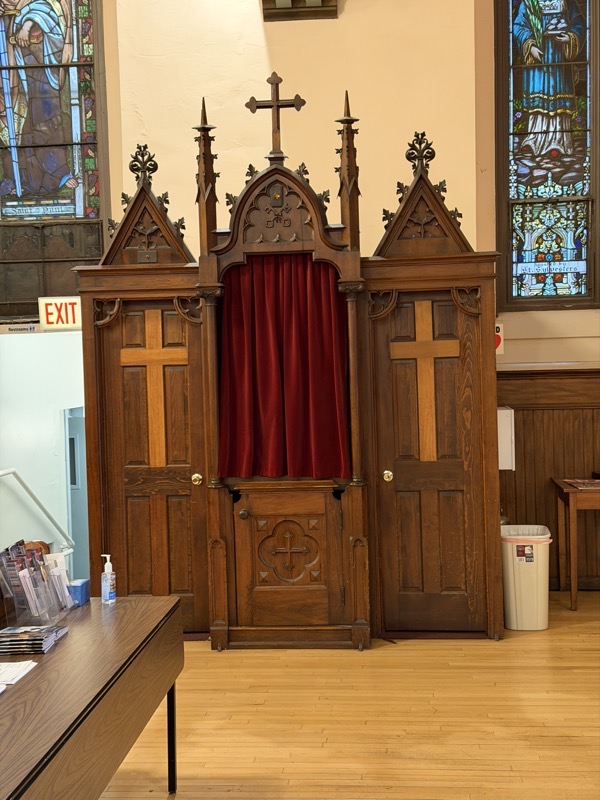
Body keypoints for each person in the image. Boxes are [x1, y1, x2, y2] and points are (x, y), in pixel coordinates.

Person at [0, 0, 78, 197]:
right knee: (16, 125)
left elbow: (51, 9)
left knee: (44, 116)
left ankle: (58, 172)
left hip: (37, 63)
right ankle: (17, 178)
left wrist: (27, 22)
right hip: (9, 66)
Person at [513, 0, 585, 157]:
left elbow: (579, 24)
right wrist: (530, 46)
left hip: (559, 61)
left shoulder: (566, 2)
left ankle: (558, 143)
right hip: (538, 61)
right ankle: (534, 140)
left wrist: (569, 38)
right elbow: (519, 26)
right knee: (538, 102)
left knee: (557, 102)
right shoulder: (529, 3)